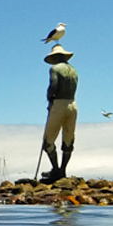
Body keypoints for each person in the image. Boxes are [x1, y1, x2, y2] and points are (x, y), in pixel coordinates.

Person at [41, 44, 78, 183]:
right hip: (73, 104)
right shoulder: (74, 70)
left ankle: (56, 170)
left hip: (59, 104)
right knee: (68, 139)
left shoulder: (55, 69)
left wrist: (50, 99)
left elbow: (53, 85)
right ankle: (63, 170)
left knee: (48, 141)